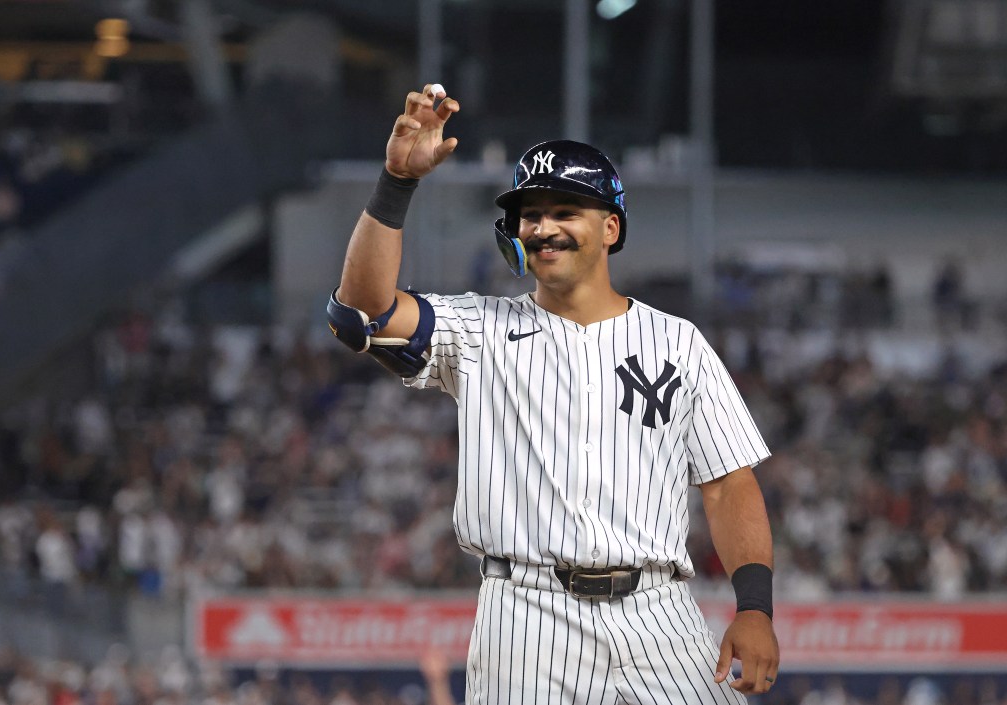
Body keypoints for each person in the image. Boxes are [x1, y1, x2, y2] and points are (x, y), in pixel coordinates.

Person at [330, 84, 780, 704]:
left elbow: (729, 483)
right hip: (525, 617)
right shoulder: (479, 328)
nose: (544, 227)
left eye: (566, 211)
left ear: (610, 227)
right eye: (530, 214)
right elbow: (362, 312)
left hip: (660, 614)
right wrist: (396, 182)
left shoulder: (679, 343)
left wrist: (755, 607)